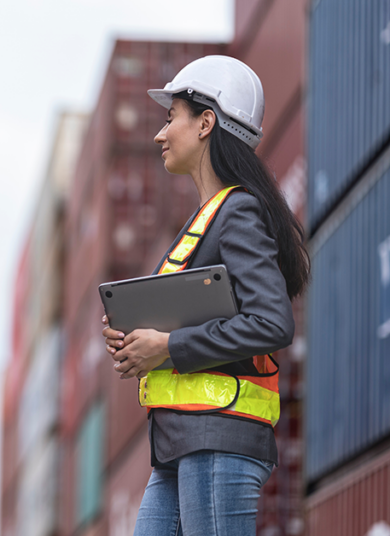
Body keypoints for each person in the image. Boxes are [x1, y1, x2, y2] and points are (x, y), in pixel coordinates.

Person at [101, 56, 310, 536]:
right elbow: (194, 319)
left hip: (218, 438)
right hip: (179, 442)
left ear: (206, 123)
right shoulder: (204, 221)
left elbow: (273, 323)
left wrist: (168, 347)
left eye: (170, 116)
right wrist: (136, 338)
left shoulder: (237, 211)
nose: (159, 133)